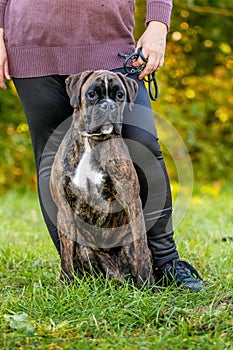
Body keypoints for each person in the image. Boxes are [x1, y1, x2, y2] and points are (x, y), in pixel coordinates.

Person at [0, 0, 203, 290]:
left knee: (142, 144)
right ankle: (82, 270)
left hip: (110, 43)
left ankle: (166, 261)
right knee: (52, 157)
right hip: (32, 42)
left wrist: (158, 24)